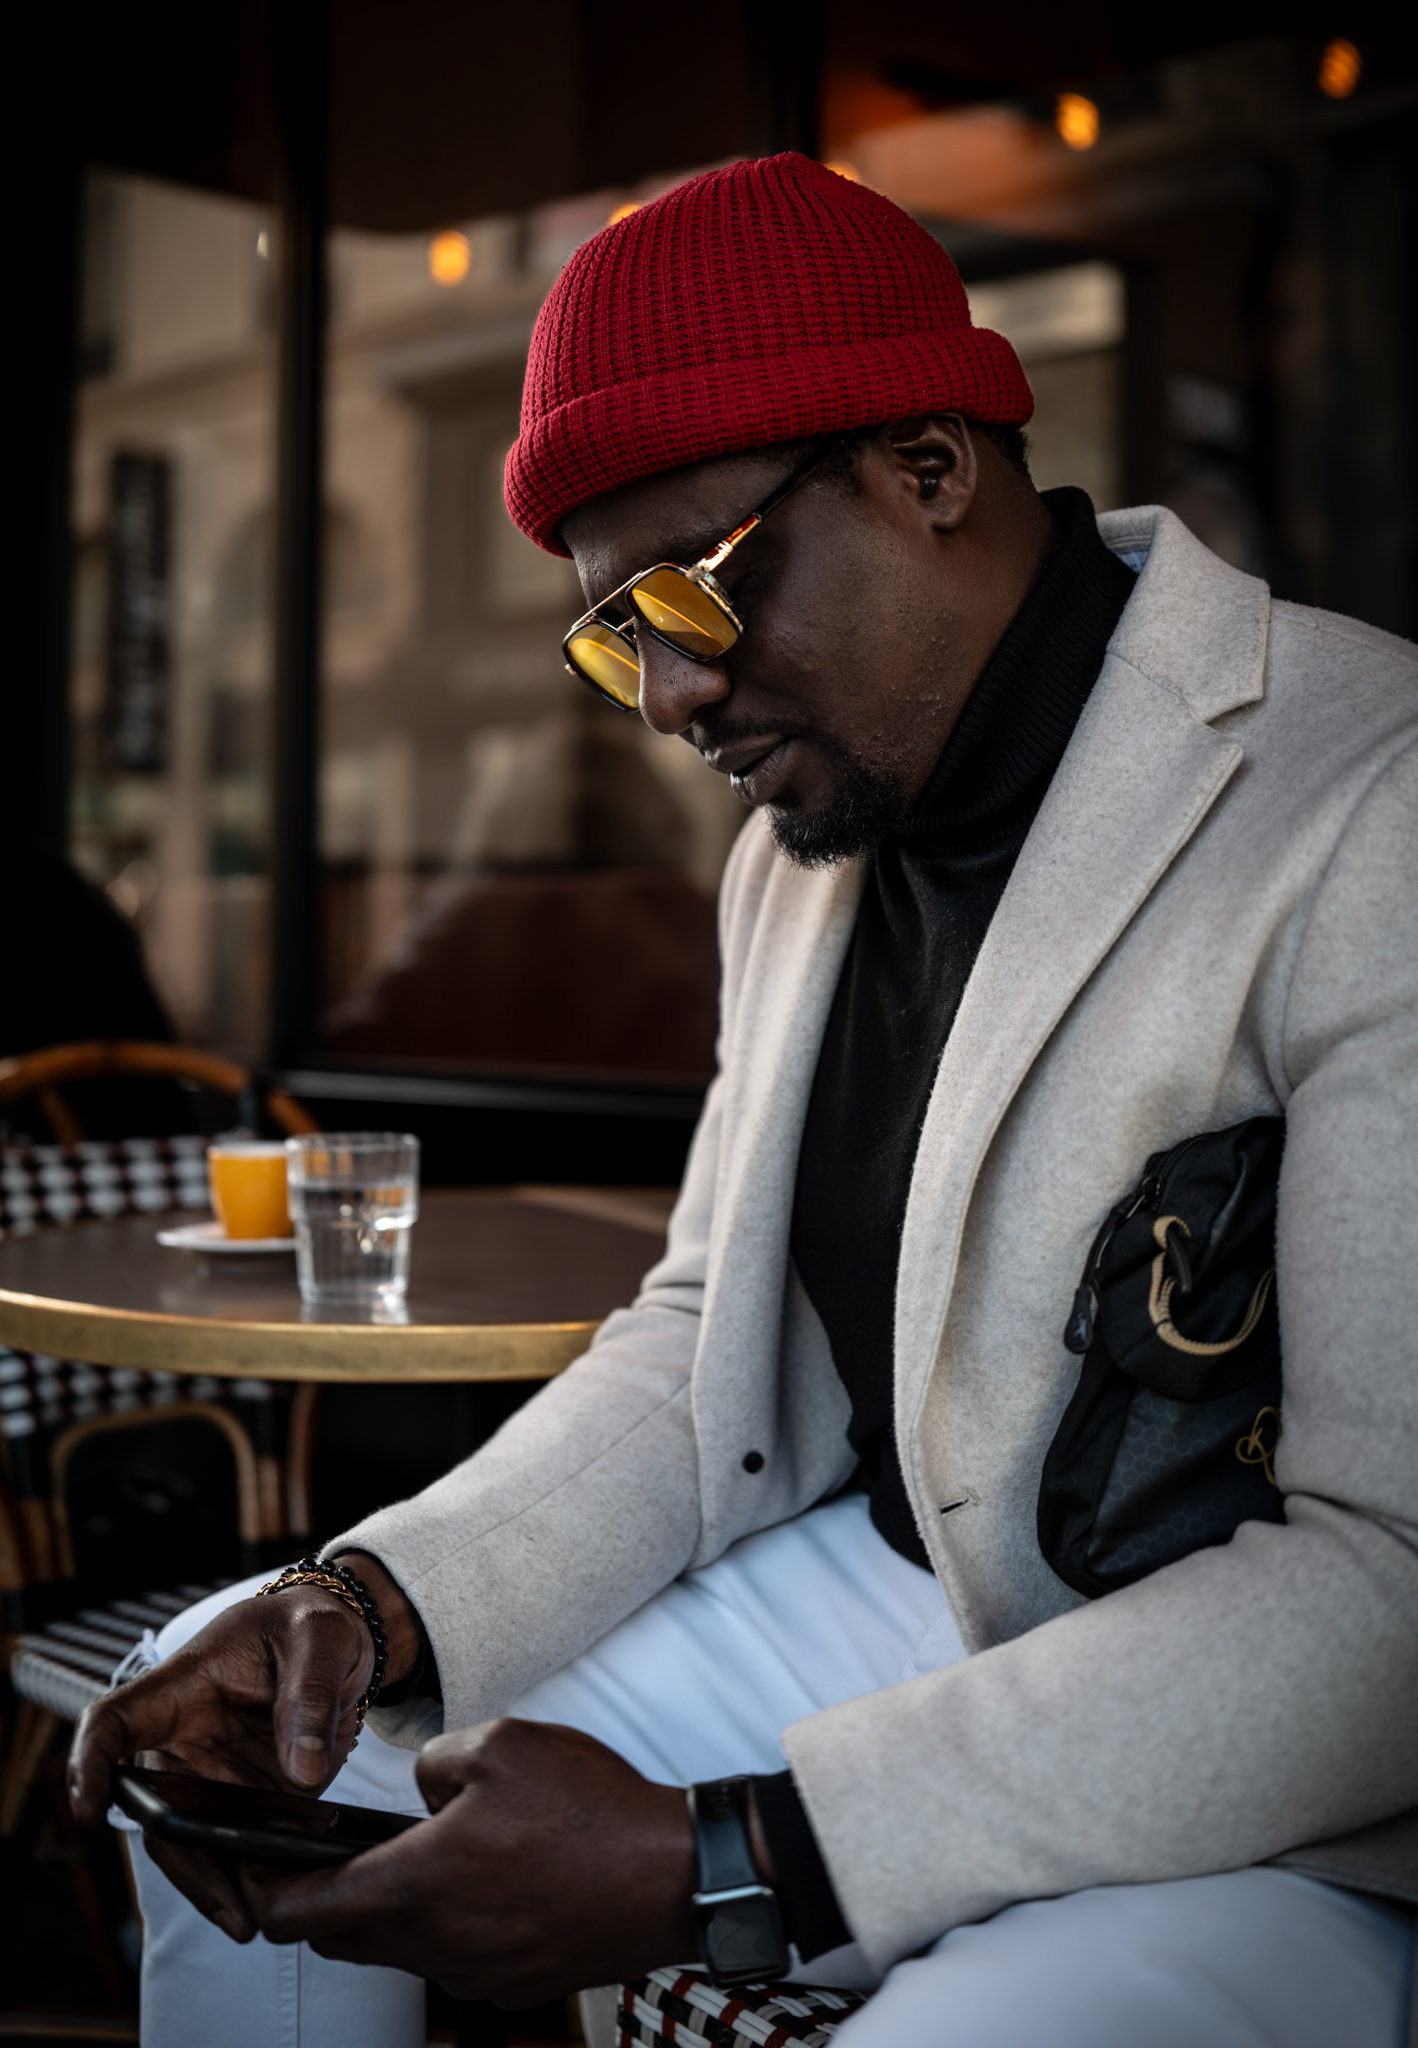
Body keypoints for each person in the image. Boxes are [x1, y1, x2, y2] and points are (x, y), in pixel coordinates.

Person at [71, 154, 1418, 2048]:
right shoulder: (799, 853)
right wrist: (362, 1601)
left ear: (928, 466)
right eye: (614, 636)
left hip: (1304, 1790)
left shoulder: (1369, 800)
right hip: (897, 1591)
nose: (666, 702)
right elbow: (708, 1332)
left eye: (690, 596)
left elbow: (1392, 1590)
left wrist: (743, 1856)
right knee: (243, 1783)